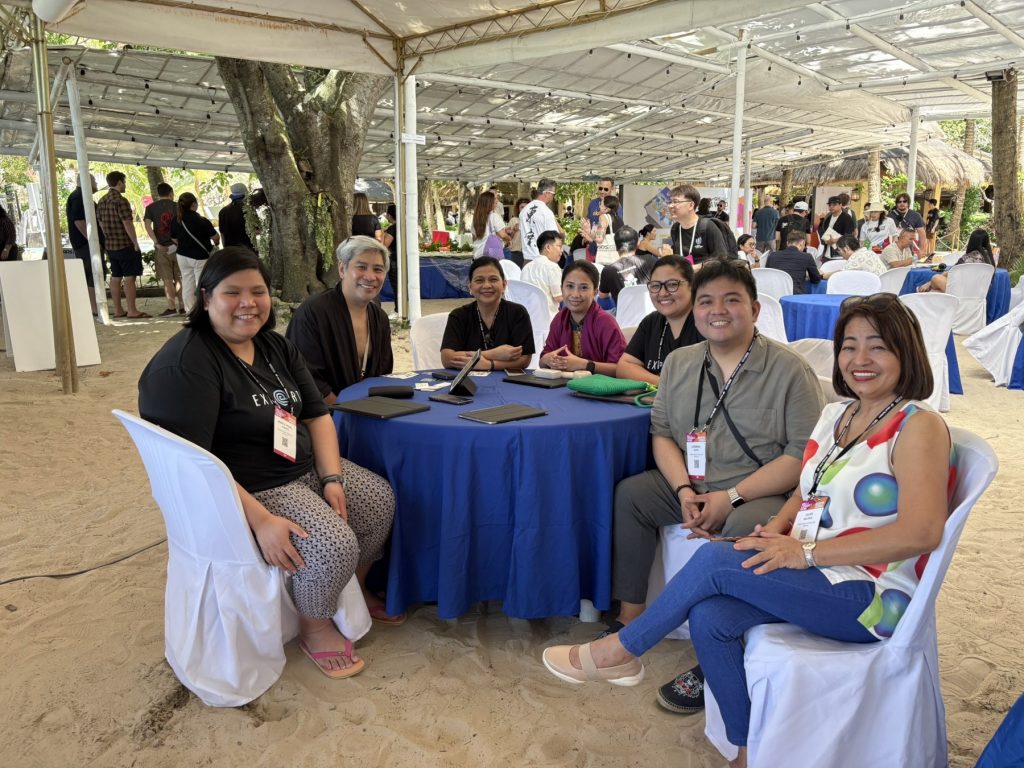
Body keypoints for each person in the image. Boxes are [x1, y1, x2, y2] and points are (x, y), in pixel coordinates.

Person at [542, 292, 951, 768]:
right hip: (819, 569)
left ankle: (621, 650)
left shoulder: (918, 426)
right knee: (712, 617)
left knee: (716, 559)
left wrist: (807, 554)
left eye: (878, 347)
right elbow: (807, 487)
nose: (859, 360)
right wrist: (772, 529)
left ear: (906, 351)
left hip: (874, 595)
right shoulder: (839, 415)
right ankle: (745, 750)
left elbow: (922, 533)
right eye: (849, 346)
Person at [139, 247, 401, 678]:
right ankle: (313, 626)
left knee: (377, 500)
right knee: (333, 543)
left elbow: (316, 414)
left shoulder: (274, 346)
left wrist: (332, 477)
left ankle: (343, 590)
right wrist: (260, 520)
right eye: (232, 293)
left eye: (257, 291)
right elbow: (195, 466)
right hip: (249, 486)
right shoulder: (188, 364)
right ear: (205, 298)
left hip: (300, 466)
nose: (248, 303)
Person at [598, 258, 823, 716]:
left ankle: (715, 656)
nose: (717, 310)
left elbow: (802, 456)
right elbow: (661, 433)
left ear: (755, 310)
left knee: (743, 530)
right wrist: (682, 489)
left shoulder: (789, 371)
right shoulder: (680, 363)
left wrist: (731, 497)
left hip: (758, 491)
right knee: (632, 497)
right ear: (695, 310)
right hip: (692, 483)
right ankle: (630, 617)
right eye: (706, 301)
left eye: (731, 300)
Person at [286, 236, 394, 404]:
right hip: (323, 415)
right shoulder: (313, 313)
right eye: (361, 267)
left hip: (368, 409)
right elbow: (305, 377)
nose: (370, 276)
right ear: (342, 269)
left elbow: (384, 374)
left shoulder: (379, 318)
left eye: (378, 269)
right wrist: (343, 413)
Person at [615, 255, 702, 385]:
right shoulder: (651, 322)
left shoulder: (706, 323)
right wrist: (663, 384)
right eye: (655, 286)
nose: (662, 293)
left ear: (692, 285)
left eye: (672, 284)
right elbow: (624, 367)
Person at [441, 256, 534, 371]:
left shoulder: (518, 313)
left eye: (493, 279)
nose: (486, 285)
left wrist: (490, 365)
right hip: (468, 382)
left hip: (507, 381)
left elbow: (525, 359)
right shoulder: (459, 316)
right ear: (470, 287)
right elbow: (447, 358)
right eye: (479, 280)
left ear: (504, 285)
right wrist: (494, 354)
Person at [540, 261, 625, 375]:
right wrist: (547, 359)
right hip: (562, 386)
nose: (575, 294)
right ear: (561, 288)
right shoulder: (560, 318)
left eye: (584, 288)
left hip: (596, 389)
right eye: (570, 286)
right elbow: (543, 360)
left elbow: (620, 369)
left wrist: (585, 365)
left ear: (595, 292)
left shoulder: (606, 322)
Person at [95, 170, 149, 318]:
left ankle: (118, 310)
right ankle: (132, 310)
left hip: (110, 245)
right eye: (124, 182)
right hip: (125, 244)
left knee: (115, 276)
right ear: (119, 182)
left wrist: (107, 236)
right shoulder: (121, 201)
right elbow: (127, 223)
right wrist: (135, 242)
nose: (124, 185)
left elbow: (99, 222)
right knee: (129, 277)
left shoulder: (101, 201)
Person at [170, 192, 220, 313]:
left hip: (182, 255)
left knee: (187, 283)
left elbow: (173, 238)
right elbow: (215, 237)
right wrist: (216, 244)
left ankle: (190, 311)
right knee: (202, 284)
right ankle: (204, 311)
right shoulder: (202, 220)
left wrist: (182, 244)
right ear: (193, 204)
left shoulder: (176, 220)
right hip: (200, 256)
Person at [659, 184, 730, 267]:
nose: (670, 206)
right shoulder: (675, 228)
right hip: (684, 279)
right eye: (670, 202)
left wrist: (693, 268)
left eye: (675, 202)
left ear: (691, 205)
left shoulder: (708, 227)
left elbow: (721, 259)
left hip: (704, 279)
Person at [65, 175, 104, 314]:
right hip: (85, 244)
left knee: (94, 273)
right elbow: (79, 221)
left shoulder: (80, 196)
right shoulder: (78, 197)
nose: (96, 183)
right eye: (94, 181)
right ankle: (94, 308)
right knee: (92, 274)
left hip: (85, 243)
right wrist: (92, 240)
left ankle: (95, 307)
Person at [144, 182, 184, 316]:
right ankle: (183, 306)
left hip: (161, 247)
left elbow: (148, 226)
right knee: (179, 278)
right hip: (178, 247)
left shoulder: (150, 208)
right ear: (171, 193)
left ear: (158, 194)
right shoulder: (178, 206)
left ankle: (171, 307)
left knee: (167, 280)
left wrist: (156, 243)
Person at [917, 228, 996, 294]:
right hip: (978, 294)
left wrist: (929, 283)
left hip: (962, 291)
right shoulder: (989, 259)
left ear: (972, 241)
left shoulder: (970, 256)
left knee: (935, 278)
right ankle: (928, 290)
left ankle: (924, 291)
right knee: (935, 290)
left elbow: (952, 271)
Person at [597, 226, 657, 305]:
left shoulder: (608, 270)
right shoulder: (650, 260)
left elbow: (602, 298)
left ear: (616, 246)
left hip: (624, 316)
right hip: (651, 313)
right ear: (637, 245)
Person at [520, 230, 564, 316]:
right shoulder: (552, 267)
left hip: (528, 318)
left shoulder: (526, 267)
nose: (561, 251)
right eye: (559, 246)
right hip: (549, 319)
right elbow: (559, 297)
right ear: (548, 247)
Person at [764, 230, 822, 294]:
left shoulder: (772, 255)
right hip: (796, 297)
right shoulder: (807, 257)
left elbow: (767, 276)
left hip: (775, 294)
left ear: (787, 243)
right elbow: (816, 279)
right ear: (802, 243)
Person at [520, 179, 562, 262]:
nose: (553, 197)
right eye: (553, 194)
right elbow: (555, 237)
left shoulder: (524, 210)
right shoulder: (546, 212)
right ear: (547, 193)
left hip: (527, 259)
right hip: (543, 260)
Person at [586, 195, 624, 266]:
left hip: (605, 260)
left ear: (606, 208)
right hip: (617, 259)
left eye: (601, 204)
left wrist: (589, 231)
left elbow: (599, 238)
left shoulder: (603, 217)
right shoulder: (620, 220)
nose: (599, 206)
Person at [471, 190, 509, 259]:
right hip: (491, 255)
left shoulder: (475, 218)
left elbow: (474, 237)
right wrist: (509, 240)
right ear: (488, 202)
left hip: (477, 254)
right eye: (494, 199)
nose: (497, 201)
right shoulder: (494, 216)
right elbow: (503, 235)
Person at [584, 177, 615, 260]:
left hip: (606, 251)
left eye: (606, 189)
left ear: (612, 189)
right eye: (600, 188)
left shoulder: (616, 206)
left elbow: (600, 238)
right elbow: (588, 220)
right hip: (592, 248)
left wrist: (592, 238)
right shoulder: (593, 203)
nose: (602, 191)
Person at [817, 195, 856, 261]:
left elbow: (849, 235)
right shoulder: (828, 218)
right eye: (830, 205)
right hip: (827, 253)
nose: (831, 207)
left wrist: (835, 240)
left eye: (834, 205)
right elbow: (823, 232)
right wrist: (826, 241)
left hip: (840, 254)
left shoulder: (847, 218)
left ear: (840, 205)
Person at [218, 182, 255, 250]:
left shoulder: (223, 211)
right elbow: (256, 231)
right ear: (245, 195)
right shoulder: (248, 210)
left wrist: (225, 249)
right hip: (247, 250)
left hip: (231, 250)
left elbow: (222, 233)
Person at [381, 204, 400, 312]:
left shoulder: (393, 228)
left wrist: (382, 234)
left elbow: (385, 244)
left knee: (397, 286)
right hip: (403, 260)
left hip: (394, 261)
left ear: (389, 215)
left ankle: (398, 309)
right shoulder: (405, 226)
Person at [507, 197, 530, 267]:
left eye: (526, 207)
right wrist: (514, 230)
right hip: (516, 252)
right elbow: (508, 238)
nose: (524, 209)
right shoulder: (514, 220)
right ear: (518, 209)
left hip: (529, 253)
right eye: (522, 207)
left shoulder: (532, 221)